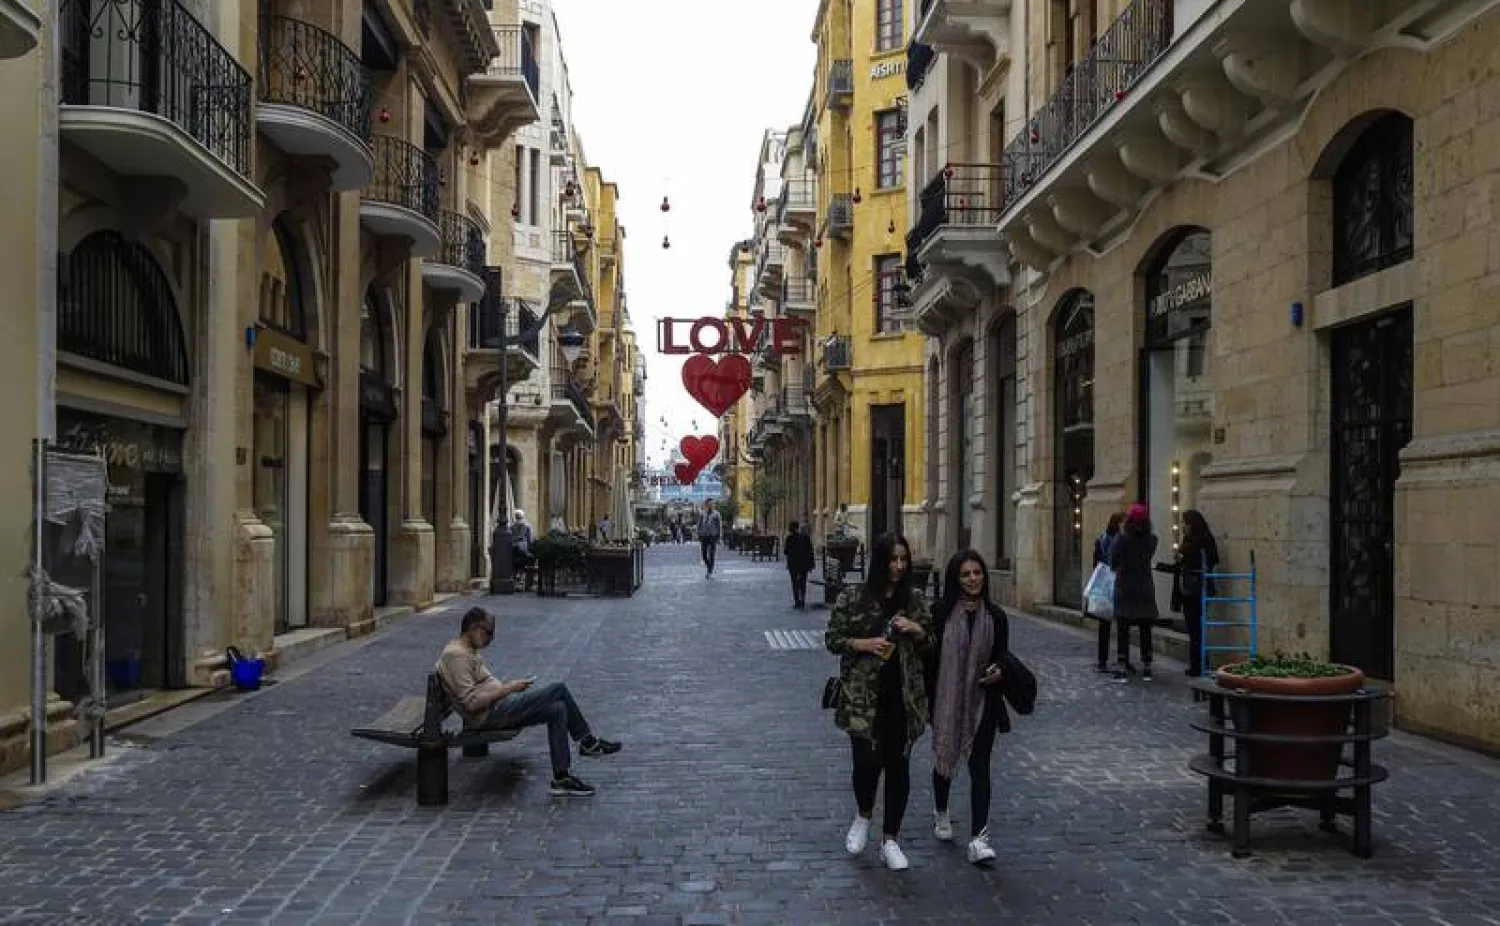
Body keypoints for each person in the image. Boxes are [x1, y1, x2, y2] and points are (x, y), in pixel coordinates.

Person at [824, 532, 934, 871]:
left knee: (899, 767)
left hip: (903, 697)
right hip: (862, 698)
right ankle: (863, 814)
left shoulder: (915, 599)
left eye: (903, 559)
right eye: (892, 560)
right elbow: (833, 639)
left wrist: (917, 630)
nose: (898, 566)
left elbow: (931, 645)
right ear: (880, 561)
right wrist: (864, 644)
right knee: (866, 764)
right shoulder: (854, 597)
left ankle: (891, 839)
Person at [434, 607, 621, 797]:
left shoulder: (467, 650)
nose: (491, 639)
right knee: (558, 689)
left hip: (501, 706)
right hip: (490, 714)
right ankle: (587, 742)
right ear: (473, 628)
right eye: (488, 632)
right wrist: (509, 688)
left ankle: (561, 778)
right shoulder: (455, 656)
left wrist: (508, 690)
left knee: (557, 709)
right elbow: (471, 703)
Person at [925, 550, 1016, 865]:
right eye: (965, 574)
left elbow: (1003, 655)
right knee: (945, 757)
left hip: (983, 701)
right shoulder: (940, 613)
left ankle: (979, 839)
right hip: (946, 701)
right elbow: (930, 661)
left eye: (977, 573)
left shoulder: (996, 617)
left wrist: (1000, 670)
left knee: (980, 769)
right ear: (955, 578)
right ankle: (941, 810)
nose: (973, 579)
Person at [1109, 503, 1160, 681]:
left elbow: (1113, 561)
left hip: (1125, 588)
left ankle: (1122, 666)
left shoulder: (1122, 539)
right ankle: (1147, 665)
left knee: (1123, 629)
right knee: (1145, 628)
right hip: (1144, 588)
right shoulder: (1152, 540)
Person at [1176, 509, 1220, 677]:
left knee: (1195, 628)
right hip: (1193, 587)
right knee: (1194, 628)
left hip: (1196, 587)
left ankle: (1199, 663)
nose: (1183, 526)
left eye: (1185, 523)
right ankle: (1198, 662)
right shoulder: (1196, 539)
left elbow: (1210, 559)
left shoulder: (1201, 540)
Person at [1090, 512, 1124, 673]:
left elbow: (1096, 563)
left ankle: (1103, 660)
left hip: (1106, 584)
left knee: (1106, 624)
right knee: (1117, 624)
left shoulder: (1102, 539)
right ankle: (1118, 659)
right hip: (1115, 583)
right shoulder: (1118, 540)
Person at [784, 520, 815, 609]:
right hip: (804, 564)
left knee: (794, 583)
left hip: (793, 564)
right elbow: (810, 551)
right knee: (803, 582)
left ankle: (797, 601)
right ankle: (802, 600)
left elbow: (786, 551)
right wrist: (811, 563)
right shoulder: (805, 537)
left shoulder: (789, 538)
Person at [511, 509, 535, 587]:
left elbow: (510, 538)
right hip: (523, 549)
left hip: (515, 549)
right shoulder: (527, 526)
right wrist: (529, 550)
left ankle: (517, 579)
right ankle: (522, 579)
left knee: (516, 565)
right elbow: (529, 539)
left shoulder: (512, 526)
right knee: (525, 563)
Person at [697, 500, 722, 577]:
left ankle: (710, 570)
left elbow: (719, 526)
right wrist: (698, 533)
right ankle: (709, 566)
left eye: (712, 504)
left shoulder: (717, 514)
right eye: (709, 504)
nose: (711, 505)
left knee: (711, 554)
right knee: (704, 555)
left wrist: (719, 537)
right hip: (704, 536)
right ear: (706, 505)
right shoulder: (702, 513)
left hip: (713, 536)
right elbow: (699, 524)